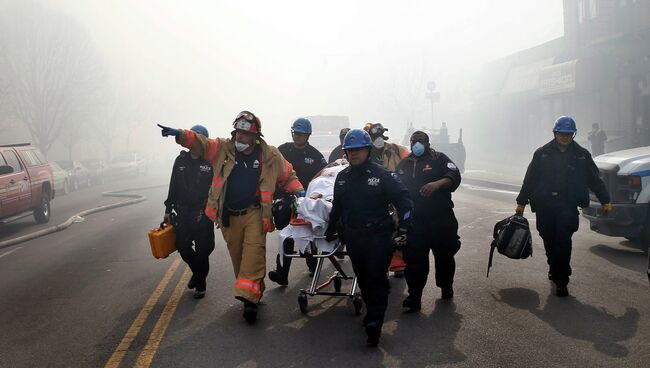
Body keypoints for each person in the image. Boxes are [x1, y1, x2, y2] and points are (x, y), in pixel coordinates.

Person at [157, 111, 304, 323]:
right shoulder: (223, 149)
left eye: (244, 134)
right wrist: (180, 135)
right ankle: (254, 290)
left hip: (255, 213)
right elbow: (202, 144)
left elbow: (287, 175)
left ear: (255, 136)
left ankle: (249, 302)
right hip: (229, 216)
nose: (240, 138)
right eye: (237, 133)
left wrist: (298, 190)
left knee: (253, 253)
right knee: (239, 259)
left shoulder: (270, 155)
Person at [324, 129, 413, 347]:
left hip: (379, 237)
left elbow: (404, 200)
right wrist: (331, 228)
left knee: (376, 279)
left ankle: (375, 321)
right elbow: (337, 207)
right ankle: (371, 311)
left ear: (368, 150)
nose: (354, 154)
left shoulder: (382, 175)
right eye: (350, 150)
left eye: (358, 150)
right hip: (354, 238)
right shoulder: (342, 178)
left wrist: (404, 228)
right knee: (363, 278)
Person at [516, 116, 612, 297]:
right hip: (545, 205)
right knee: (548, 238)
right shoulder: (542, 153)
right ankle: (554, 266)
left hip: (567, 205)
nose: (565, 137)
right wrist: (521, 202)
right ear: (555, 133)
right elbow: (530, 180)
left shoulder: (582, 155)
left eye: (569, 134)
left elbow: (595, 180)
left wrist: (605, 199)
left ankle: (562, 280)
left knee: (563, 240)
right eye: (562, 133)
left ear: (573, 134)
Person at [396, 130, 461, 311]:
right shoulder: (404, 164)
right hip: (416, 223)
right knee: (415, 260)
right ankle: (414, 296)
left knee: (444, 257)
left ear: (428, 143)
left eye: (420, 141)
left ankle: (446, 286)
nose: (416, 144)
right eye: (413, 141)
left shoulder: (439, 159)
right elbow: (395, 188)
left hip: (441, 219)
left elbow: (454, 175)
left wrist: (438, 184)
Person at [268, 117, 327, 285]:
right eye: (296, 133)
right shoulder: (282, 150)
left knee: (308, 235)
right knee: (286, 235)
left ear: (308, 135)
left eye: (302, 134)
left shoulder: (316, 156)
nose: (298, 137)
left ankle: (313, 263)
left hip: (307, 201)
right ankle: (282, 274)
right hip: (285, 200)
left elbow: (322, 177)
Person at [163, 124, 215, 299]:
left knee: (203, 250)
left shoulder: (211, 162)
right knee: (183, 247)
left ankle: (201, 284)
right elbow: (173, 186)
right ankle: (198, 273)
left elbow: (219, 188)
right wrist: (168, 209)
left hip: (203, 213)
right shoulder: (181, 161)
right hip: (182, 211)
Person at [363, 122, 410, 276]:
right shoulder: (365, 153)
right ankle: (377, 263)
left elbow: (410, 160)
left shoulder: (396, 150)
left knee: (397, 227)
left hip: (395, 192)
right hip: (372, 195)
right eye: (374, 136)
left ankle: (397, 263)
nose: (379, 139)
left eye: (380, 135)